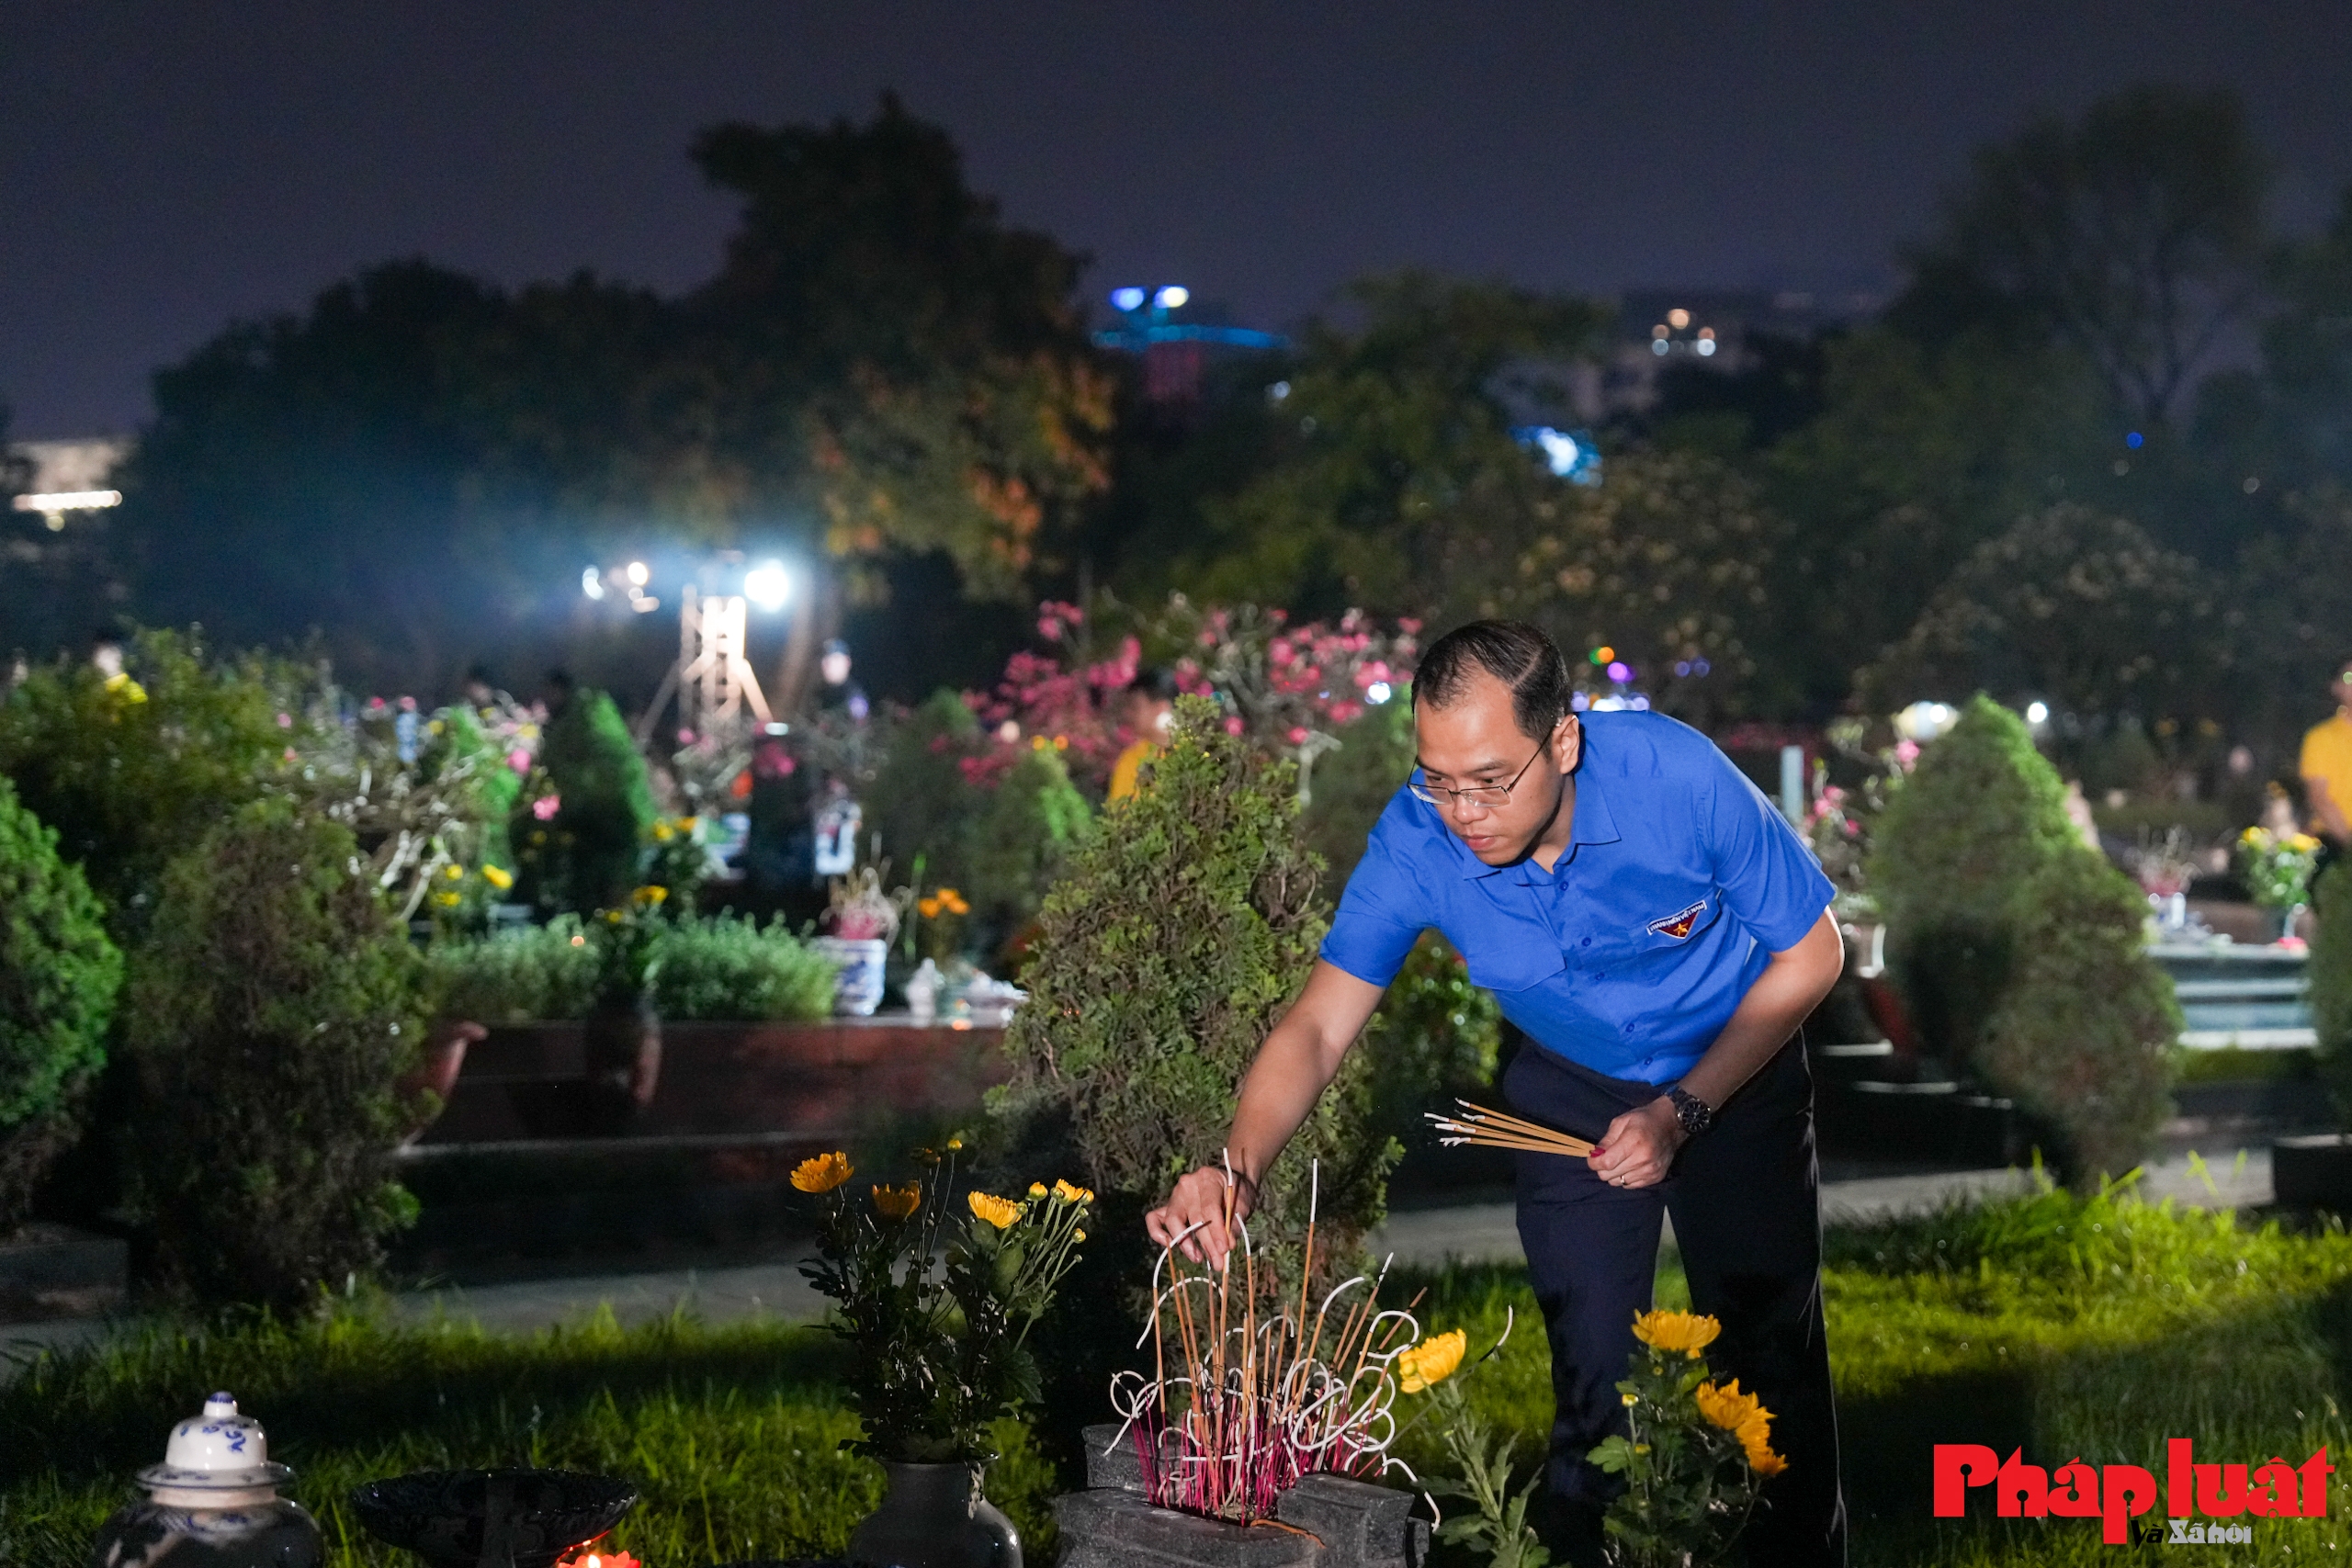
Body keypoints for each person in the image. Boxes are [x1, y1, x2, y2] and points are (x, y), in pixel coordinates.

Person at [1145, 621, 1847, 1566]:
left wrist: (1683, 1109)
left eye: (1488, 780)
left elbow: (1812, 953)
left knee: (1769, 1371)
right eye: (1437, 778)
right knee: (1591, 1384)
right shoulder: (1415, 840)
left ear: (1562, 741)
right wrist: (1236, 1169)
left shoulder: (1676, 779)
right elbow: (1317, 1027)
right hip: (1571, 1093)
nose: (1462, 812)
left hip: (1735, 1066)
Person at [2301, 660, 2352, 880]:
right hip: (2333, 845)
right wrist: (2349, 843)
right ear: (2336, 687)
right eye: (2349, 678)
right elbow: (2319, 798)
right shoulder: (2320, 738)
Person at [1107, 668, 1180, 803]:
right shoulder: (1130, 759)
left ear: (1161, 708)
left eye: (1135, 707)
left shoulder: (1197, 755)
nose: (1127, 714)